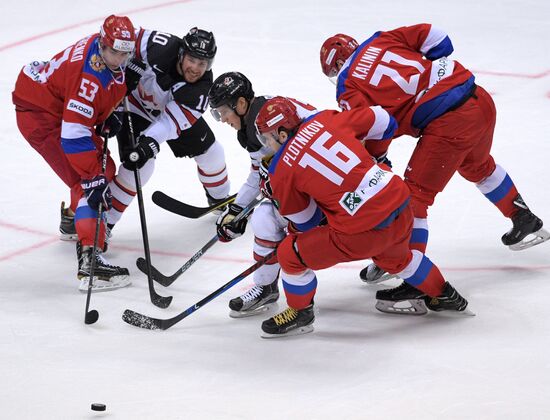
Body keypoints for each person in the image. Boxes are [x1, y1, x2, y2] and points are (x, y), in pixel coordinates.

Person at [319, 24, 549, 288]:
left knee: (413, 197)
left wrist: (376, 159)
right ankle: (524, 218)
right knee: (478, 166)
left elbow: (375, 125)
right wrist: (432, 78)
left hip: (450, 123)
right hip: (478, 98)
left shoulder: (348, 84)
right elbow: (438, 38)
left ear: (336, 66)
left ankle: (411, 275)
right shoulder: (382, 39)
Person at [253, 96, 471, 337]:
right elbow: (384, 120)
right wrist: (375, 158)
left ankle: (300, 313)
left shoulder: (281, 170)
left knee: (289, 253)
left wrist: (313, 201)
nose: (267, 144)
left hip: (363, 231)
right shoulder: (325, 119)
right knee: (397, 259)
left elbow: (306, 221)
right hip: (399, 201)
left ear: (282, 134)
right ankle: (445, 295)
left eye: (267, 137)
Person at [12, 15, 134, 291]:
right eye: (114, 52)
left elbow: (89, 96)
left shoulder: (98, 47)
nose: (119, 59)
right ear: (103, 44)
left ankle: (73, 220)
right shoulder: (88, 79)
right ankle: (91, 263)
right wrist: (92, 178)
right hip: (43, 117)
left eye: (124, 53)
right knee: (92, 178)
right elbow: (73, 135)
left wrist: (104, 113)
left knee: (100, 172)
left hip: (52, 105)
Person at [207, 72, 317, 317]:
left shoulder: (265, 121)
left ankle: (394, 257)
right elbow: (260, 171)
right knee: (264, 219)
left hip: (325, 185)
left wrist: (272, 182)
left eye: (223, 111)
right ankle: (266, 287)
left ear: (242, 104)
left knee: (290, 230)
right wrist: (237, 210)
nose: (222, 119)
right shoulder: (255, 122)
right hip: (310, 184)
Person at [105, 26, 230, 232]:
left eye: (202, 63)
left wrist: (149, 141)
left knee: (212, 153)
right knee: (140, 168)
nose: (196, 68)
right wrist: (122, 68)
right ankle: (101, 224)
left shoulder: (201, 90)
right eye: (192, 59)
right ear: (181, 53)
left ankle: (221, 201)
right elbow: (122, 39)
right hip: (132, 107)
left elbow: (169, 123)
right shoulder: (158, 45)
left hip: (167, 113)